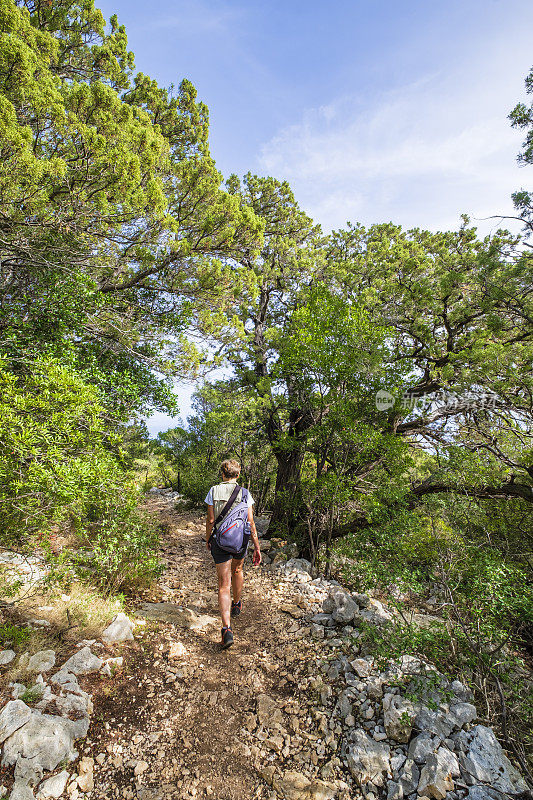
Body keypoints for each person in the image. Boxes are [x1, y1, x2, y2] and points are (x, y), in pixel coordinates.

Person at [205, 459, 261, 648]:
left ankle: (226, 628)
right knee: (237, 570)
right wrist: (257, 546)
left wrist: (208, 539)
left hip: (220, 541)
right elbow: (251, 522)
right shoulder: (245, 493)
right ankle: (237, 604)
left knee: (223, 585)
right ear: (238, 475)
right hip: (240, 541)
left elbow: (211, 520)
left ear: (222, 474)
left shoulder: (213, 491)